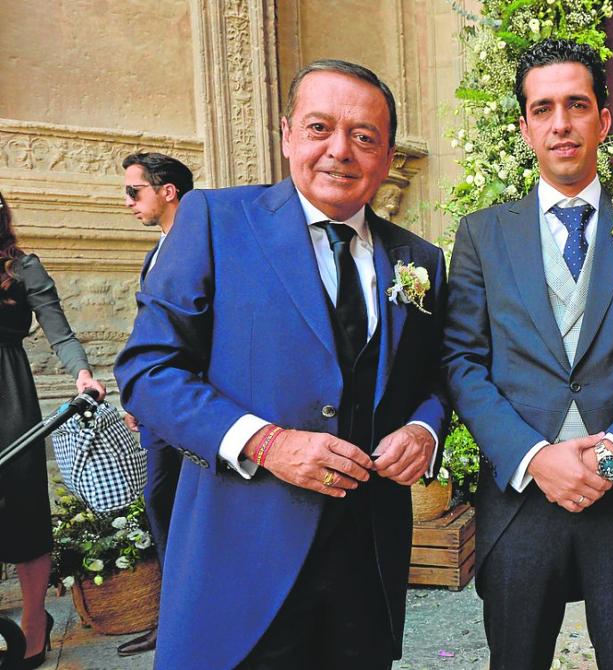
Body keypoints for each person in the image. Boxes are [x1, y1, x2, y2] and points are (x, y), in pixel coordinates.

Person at [114, 60, 447, 669]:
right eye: (320, 127)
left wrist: (425, 429)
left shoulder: (418, 258)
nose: (340, 151)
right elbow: (147, 371)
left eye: (364, 136)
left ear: (388, 153)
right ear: (288, 134)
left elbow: (430, 378)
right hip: (242, 553)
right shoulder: (215, 221)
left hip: (365, 564)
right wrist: (264, 443)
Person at [443, 38, 613, 670]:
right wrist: (535, 456)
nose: (562, 123)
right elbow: (462, 363)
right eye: (545, 108)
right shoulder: (482, 234)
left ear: (603, 121)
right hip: (522, 500)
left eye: (577, 105)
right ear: (526, 125)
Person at [0, 190, 106, 669]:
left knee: (21, 505)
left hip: (7, 396)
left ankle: (35, 621)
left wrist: (82, 373)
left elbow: (59, 331)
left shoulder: (23, 268)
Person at [116, 150, 194, 657]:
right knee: (161, 505)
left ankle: (182, 622)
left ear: (168, 191)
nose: (127, 203)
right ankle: (174, 619)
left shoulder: (198, 246)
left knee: (171, 504)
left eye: (134, 191)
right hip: (160, 407)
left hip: (191, 407)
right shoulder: (156, 252)